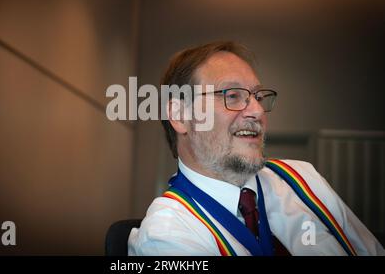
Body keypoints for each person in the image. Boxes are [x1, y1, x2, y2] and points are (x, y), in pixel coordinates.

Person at [128, 41, 385, 256]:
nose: (257, 111)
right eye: (232, 95)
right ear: (180, 115)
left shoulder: (303, 179)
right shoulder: (167, 235)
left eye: (258, 97)